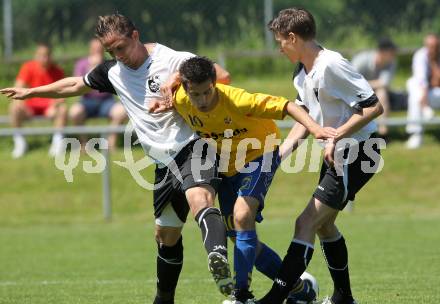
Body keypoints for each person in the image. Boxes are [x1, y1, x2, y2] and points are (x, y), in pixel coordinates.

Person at [1, 14, 233, 304]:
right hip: (163, 164)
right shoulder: (114, 72)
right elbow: (75, 85)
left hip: (194, 145)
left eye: (121, 47)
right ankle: (164, 299)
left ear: (135, 35)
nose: (117, 55)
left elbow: (221, 75)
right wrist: (32, 91)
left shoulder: (172, 59)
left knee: (200, 198)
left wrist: (176, 84)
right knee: (165, 236)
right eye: (111, 51)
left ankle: (217, 257)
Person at [151, 56, 337, 304]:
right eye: (196, 94)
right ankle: (299, 290)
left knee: (241, 215)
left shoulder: (237, 100)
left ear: (214, 84)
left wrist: (315, 129)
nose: (203, 100)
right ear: (185, 90)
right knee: (239, 238)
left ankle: (241, 295)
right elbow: (173, 94)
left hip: (261, 154)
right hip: (227, 166)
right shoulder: (182, 99)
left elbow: (288, 106)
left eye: (208, 92)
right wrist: (162, 103)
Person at [255, 8, 384, 304]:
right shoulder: (301, 71)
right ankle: (343, 297)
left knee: (306, 223)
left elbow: (373, 106)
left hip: (359, 153)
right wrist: (278, 158)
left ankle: (275, 298)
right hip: (337, 154)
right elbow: (306, 120)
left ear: (293, 37)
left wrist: (337, 135)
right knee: (324, 225)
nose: (279, 48)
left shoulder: (331, 65)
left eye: (280, 41)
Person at [8, 42, 67, 158]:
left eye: (47, 55)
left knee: (63, 109)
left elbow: (63, 94)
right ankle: (20, 143)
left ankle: (57, 143)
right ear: (36, 55)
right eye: (41, 55)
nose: (44, 58)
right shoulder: (28, 67)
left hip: (50, 107)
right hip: (30, 107)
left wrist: (54, 106)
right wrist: (20, 105)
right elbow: (17, 89)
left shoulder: (58, 71)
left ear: (51, 56)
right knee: (14, 108)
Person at [69, 38, 127, 150]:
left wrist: (101, 67)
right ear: (90, 50)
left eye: (100, 49)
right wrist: (92, 69)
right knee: (75, 112)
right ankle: (83, 144)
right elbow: (77, 84)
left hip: (106, 101)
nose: (97, 51)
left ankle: (111, 143)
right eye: (95, 49)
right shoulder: (82, 64)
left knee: (121, 111)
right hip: (87, 101)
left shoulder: (110, 63)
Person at [352, 38, 398, 137]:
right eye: (392, 53)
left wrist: (364, 83)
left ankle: (383, 132)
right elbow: (352, 82)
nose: (394, 56)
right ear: (382, 52)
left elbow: (384, 83)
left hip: (374, 92)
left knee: (382, 93)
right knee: (381, 91)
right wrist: (372, 85)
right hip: (355, 92)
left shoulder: (391, 63)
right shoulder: (361, 60)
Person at [405, 33, 440, 149]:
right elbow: (421, 81)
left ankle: (416, 134)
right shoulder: (420, 56)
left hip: (435, 93)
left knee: (415, 91)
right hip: (423, 93)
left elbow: (437, 81)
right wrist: (424, 104)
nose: (432, 49)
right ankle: (416, 133)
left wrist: (433, 63)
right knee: (413, 85)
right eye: (430, 46)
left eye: (435, 46)